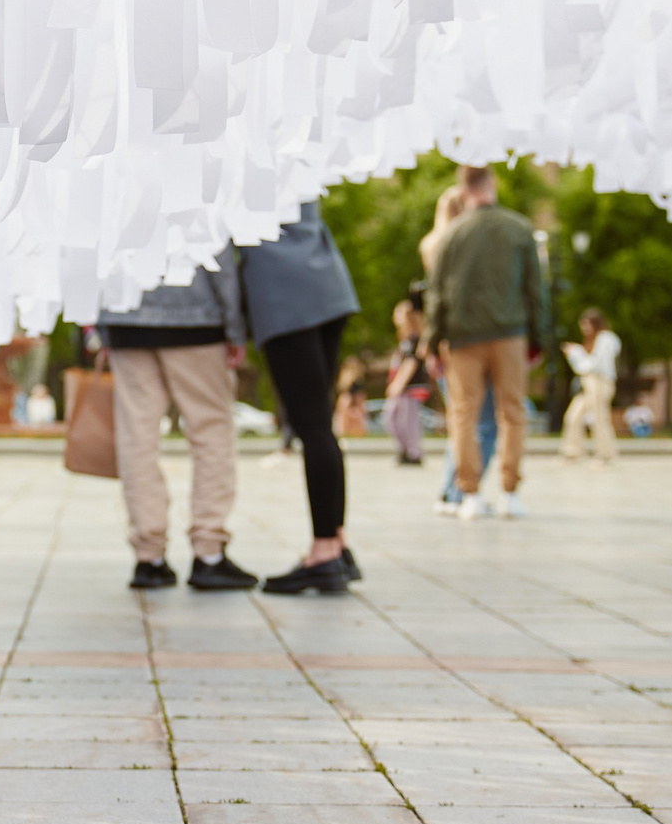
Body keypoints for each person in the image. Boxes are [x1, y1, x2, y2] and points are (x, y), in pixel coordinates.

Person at [99, 248, 255, 591]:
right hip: (196, 318)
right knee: (211, 432)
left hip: (125, 317)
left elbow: (96, 249)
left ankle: (149, 557)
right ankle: (209, 551)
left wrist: (101, 325)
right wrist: (236, 328)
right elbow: (219, 255)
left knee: (136, 438)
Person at [241, 200, 364, 596]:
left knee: (311, 426)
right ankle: (337, 543)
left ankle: (323, 551)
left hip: (283, 295)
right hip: (327, 283)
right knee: (320, 426)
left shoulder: (240, 168)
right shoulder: (299, 162)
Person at [423, 166, 545, 520]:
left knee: (463, 415)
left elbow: (436, 295)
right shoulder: (519, 228)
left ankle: (469, 494)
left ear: (463, 189)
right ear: (491, 184)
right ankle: (510, 492)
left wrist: (432, 344)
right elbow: (535, 291)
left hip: (462, 338)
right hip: (510, 334)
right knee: (513, 413)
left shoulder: (451, 235)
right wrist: (537, 339)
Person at [560, 308, 621, 465]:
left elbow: (593, 365)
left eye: (587, 325)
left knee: (599, 418)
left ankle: (605, 454)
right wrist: (577, 353)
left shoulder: (605, 338)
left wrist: (575, 354)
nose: (585, 329)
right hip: (587, 383)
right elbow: (585, 366)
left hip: (599, 382)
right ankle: (572, 452)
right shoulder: (593, 341)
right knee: (573, 416)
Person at [384, 298, 430, 467]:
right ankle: (405, 448)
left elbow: (411, 363)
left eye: (399, 313)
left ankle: (413, 452)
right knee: (393, 418)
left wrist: (398, 384)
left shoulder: (414, 339)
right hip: (404, 388)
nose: (395, 316)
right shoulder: (404, 340)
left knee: (408, 420)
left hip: (410, 387)